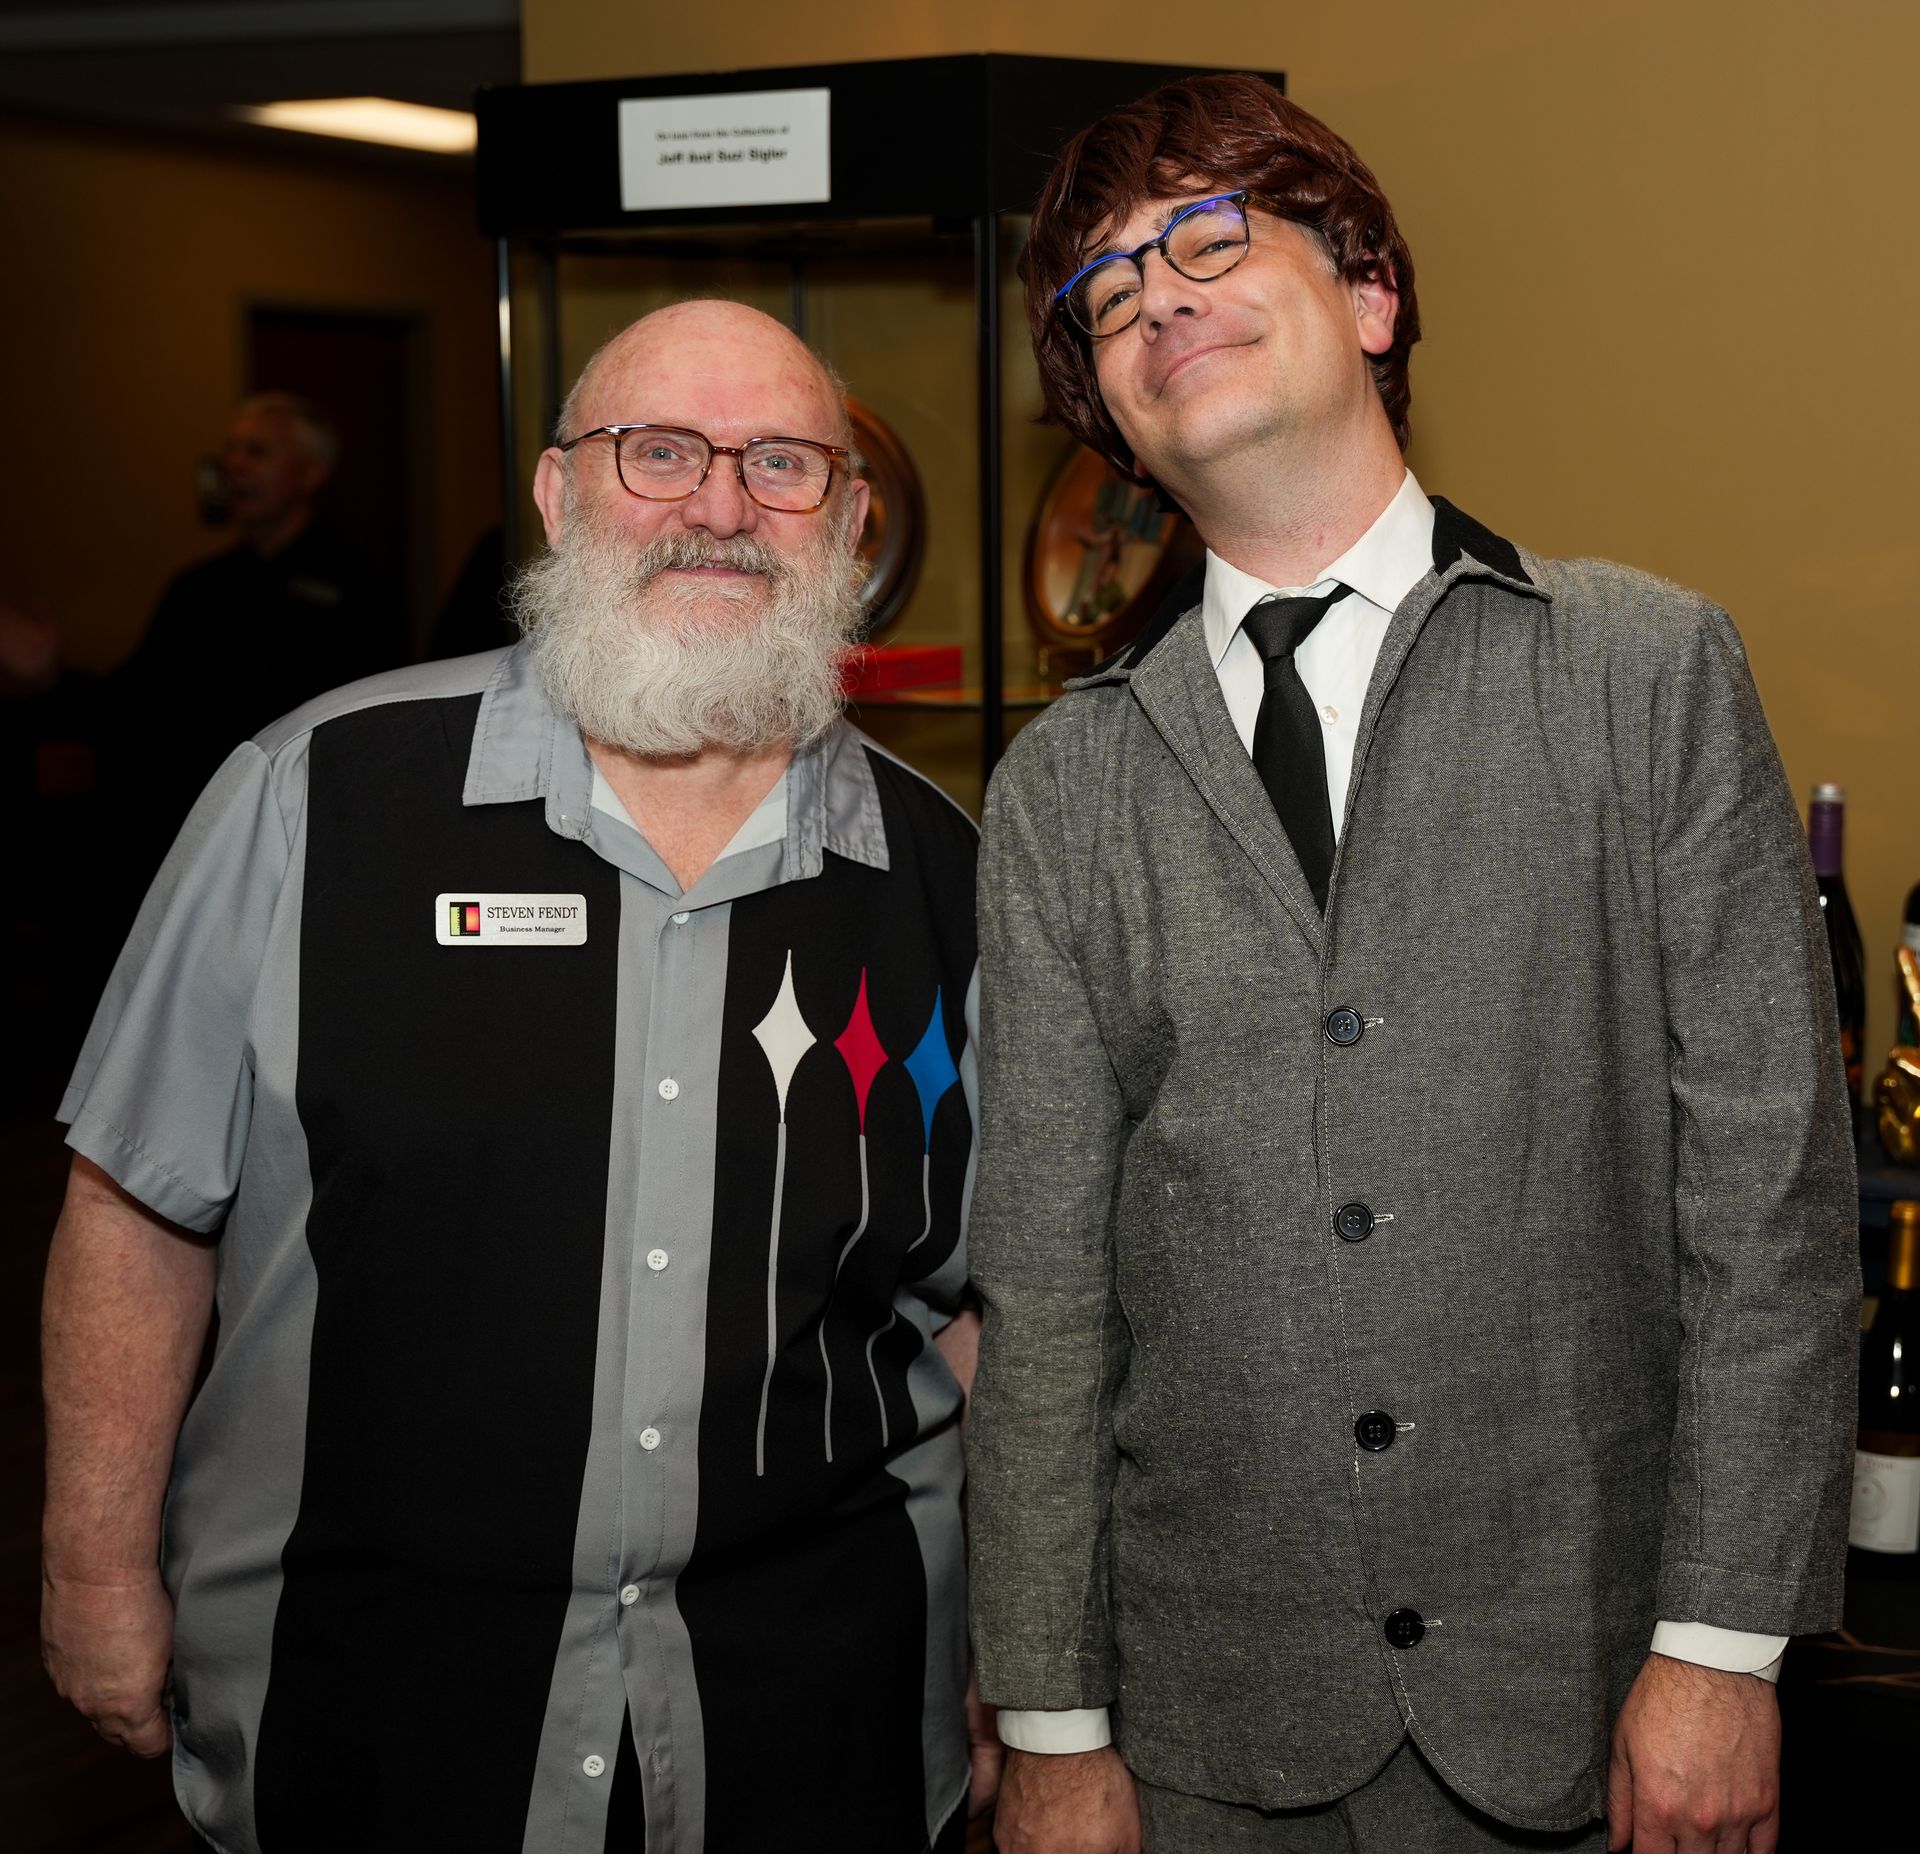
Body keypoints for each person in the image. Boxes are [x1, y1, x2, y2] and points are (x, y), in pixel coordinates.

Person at [966, 74, 1858, 1854]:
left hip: (1595, 1706)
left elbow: (1766, 1198)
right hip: (1203, 1741)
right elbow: (1045, 1293)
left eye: (1208, 238)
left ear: (1371, 295)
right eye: (1109, 300)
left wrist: (1723, 1643)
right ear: (1119, 430)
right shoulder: (1066, 781)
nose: (1159, 298)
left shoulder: (1641, 672)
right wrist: (1051, 1725)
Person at [42, 301, 991, 1853]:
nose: (720, 504)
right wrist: (91, 1570)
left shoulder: (939, 870)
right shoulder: (313, 801)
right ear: (556, 494)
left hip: (817, 1723)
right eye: (659, 451)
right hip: (366, 1709)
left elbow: (977, 1309)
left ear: (854, 519)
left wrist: (1009, 1649)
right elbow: (135, 1208)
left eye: (782, 462)